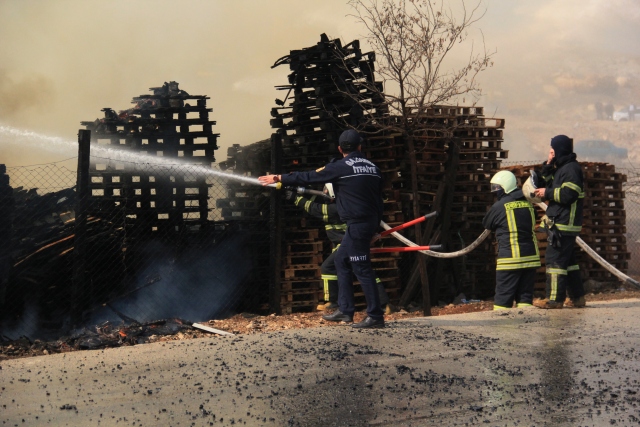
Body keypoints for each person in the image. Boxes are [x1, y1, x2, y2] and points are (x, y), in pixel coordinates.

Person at [259, 129, 385, 328]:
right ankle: (345, 310)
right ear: (360, 146)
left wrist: (280, 178)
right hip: (364, 224)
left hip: (357, 225)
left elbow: (309, 176)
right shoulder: (373, 168)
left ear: (340, 149)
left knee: (361, 268)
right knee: (341, 261)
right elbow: (378, 201)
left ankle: (376, 316)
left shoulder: (341, 167)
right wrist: (374, 228)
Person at [285, 184, 393, 313]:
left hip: (347, 244)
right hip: (347, 243)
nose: (324, 193)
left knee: (329, 267)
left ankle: (334, 302)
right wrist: (303, 191)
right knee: (362, 270)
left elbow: (315, 209)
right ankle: (383, 304)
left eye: (326, 191)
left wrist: (296, 198)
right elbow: (317, 200)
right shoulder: (346, 203)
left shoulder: (335, 209)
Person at [533, 135, 586, 309]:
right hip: (561, 222)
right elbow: (548, 182)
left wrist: (547, 193)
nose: (551, 151)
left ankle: (554, 300)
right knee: (568, 263)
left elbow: (568, 195)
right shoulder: (562, 168)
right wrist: (548, 164)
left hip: (563, 224)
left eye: (553, 149)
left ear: (559, 149)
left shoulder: (571, 169)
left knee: (555, 262)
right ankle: (577, 298)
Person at [482, 171, 541, 310]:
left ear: (505, 186)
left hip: (510, 260)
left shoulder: (499, 206)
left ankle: (502, 323)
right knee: (525, 298)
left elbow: (486, 223)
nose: (496, 192)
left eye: (497, 188)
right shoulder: (529, 203)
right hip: (531, 258)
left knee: (502, 300)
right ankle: (525, 323)